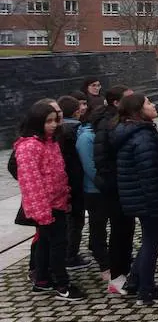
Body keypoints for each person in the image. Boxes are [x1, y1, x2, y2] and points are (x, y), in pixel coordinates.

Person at [111, 94, 158, 306]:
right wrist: (157, 202)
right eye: (148, 103)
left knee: (153, 238)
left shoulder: (136, 130)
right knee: (152, 240)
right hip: (147, 199)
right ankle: (146, 290)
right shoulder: (142, 136)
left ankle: (134, 281)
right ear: (138, 110)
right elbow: (149, 173)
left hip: (140, 197)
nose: (153, 105)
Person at [15, 100, 86, 301]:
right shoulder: (29, 146)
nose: (54, 125)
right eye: (48, 121)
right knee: (57, 245)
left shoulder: (50, 142)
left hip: (57, 202)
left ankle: (42, 279)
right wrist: (43, 212)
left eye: (55, 120)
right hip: (45, 207)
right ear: (37, 122)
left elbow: (57, 173)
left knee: (46, 244)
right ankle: (61, 284)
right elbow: (32, 183)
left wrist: (65, 196)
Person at [90, 85, 136, 295]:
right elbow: (102, 159)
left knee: (126, 230)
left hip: (122, 185)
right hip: (115, 187)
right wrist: (116, 181)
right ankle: (117, 277)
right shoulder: (107, 125)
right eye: (128, 99)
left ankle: (124, 270)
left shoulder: (118, 122)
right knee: (119, 232)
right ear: (116, 103)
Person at [56, 95, 92, 272]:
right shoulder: (77, 130)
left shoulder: (57, 130)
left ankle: (66, 255)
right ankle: (71, 256)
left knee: (68, 221)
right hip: (75, 183)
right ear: (77, 112)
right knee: (76, 221)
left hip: (63, 184)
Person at [75, 107, 111, 282]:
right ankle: (103, 262)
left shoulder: (97, 135)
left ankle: (106, 256)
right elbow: (90, 167)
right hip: (94, 190)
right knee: (98, 227)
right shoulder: (86, 138)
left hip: (103, 188)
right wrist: (105, 185)